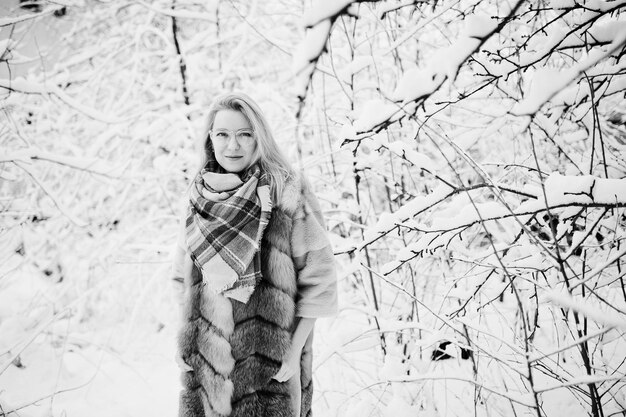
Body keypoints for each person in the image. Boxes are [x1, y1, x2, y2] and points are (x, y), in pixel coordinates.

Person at [171, 92, 338, 417]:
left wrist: (292, 351)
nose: (232, 146)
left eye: (244, 135)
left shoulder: (286, 191)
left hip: (269, 371)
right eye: (223, 134)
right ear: (210, 138)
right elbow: (182, 277)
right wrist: (184, 343)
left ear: (258, 136)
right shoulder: (198, 195)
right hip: (207, 373)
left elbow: (320, 281)